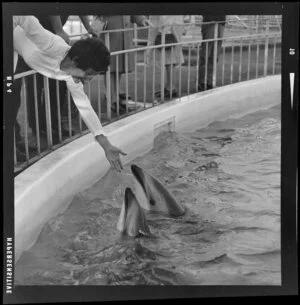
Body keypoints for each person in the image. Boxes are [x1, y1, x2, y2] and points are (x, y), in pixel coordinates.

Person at [13, 16, 126, 172]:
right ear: (76, 60)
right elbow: (23, 17)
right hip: (9, 40)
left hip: (15, 53)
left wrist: (106, 145)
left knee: (10, 104)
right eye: (90, 73)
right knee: (10, 101)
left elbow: (85, 108)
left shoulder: (72, 77)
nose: (88, 80)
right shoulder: (51, 44)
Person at [91, 15, 152, 113]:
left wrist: (141, 19)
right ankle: (112, 99)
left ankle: (114, 95)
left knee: (118, 65)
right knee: (110, 66)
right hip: (109, 30)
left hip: (123, 31)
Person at [147, 15, 184, 98]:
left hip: (166, 26)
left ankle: (171, 87)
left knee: (169, 56)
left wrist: (164, 29)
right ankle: (170, 86)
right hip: (169, 24)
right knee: (171, 56)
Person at [198, 15, 226, 91]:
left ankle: (210, 81)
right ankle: (202, 82)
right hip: (210, 21)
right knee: (206, 54)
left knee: (214, 55)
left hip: (221, 22)